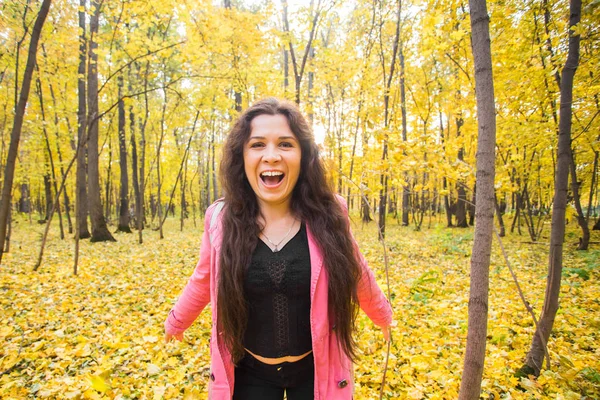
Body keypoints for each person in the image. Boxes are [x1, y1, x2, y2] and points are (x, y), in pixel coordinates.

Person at [164, 98, 393, 400]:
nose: (271, 156)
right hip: (248, 371)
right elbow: (204, 277)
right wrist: (177, 321)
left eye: (285, 144)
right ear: (242, 156)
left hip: (315, 371)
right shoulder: (220, 219)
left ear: (303, 155)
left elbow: (356, 271)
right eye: (257, 145)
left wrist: (383, 316)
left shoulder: (330, 213)